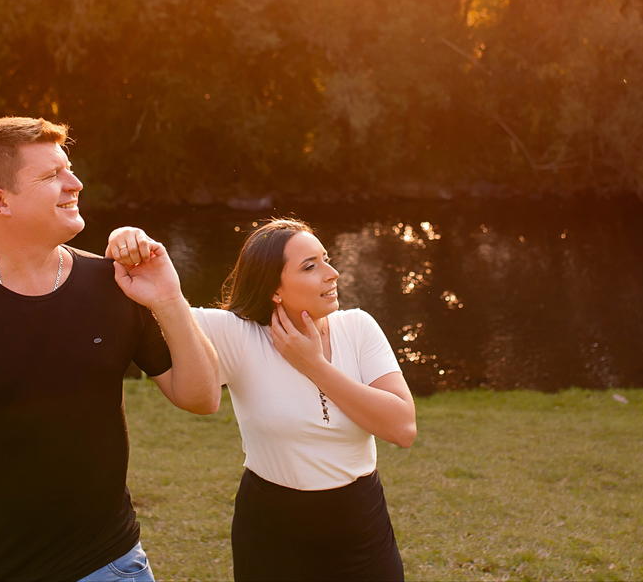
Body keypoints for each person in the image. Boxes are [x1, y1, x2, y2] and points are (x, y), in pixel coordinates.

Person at [0, 117, 221, 582]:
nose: (75, 184)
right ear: (0, 201)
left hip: (113, 566)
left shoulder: (114, 285)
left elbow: (202, 398)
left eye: (69, 169)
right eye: (51, 175)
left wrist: (168, 297)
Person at [108, 219, 416, 581]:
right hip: (271, 532)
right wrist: (123, 238)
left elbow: (402, 428)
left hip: (361, 526)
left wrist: (314, 365)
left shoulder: (359, 328)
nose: (332, 274)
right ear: (274, 289)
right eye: (310, 266)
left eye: (326, 259)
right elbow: (156, 304)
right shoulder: (237, 335)